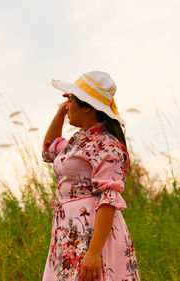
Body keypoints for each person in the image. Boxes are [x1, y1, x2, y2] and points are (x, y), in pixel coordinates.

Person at [41, 71, 140, 281]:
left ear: (86, 106)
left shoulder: (108, 145)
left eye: (72, 100)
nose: (68, 106)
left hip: (93, 232)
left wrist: (94, 252)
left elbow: (108, 199)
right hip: (69, 230)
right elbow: (49, 151)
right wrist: (60, 113)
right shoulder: (78, 140)